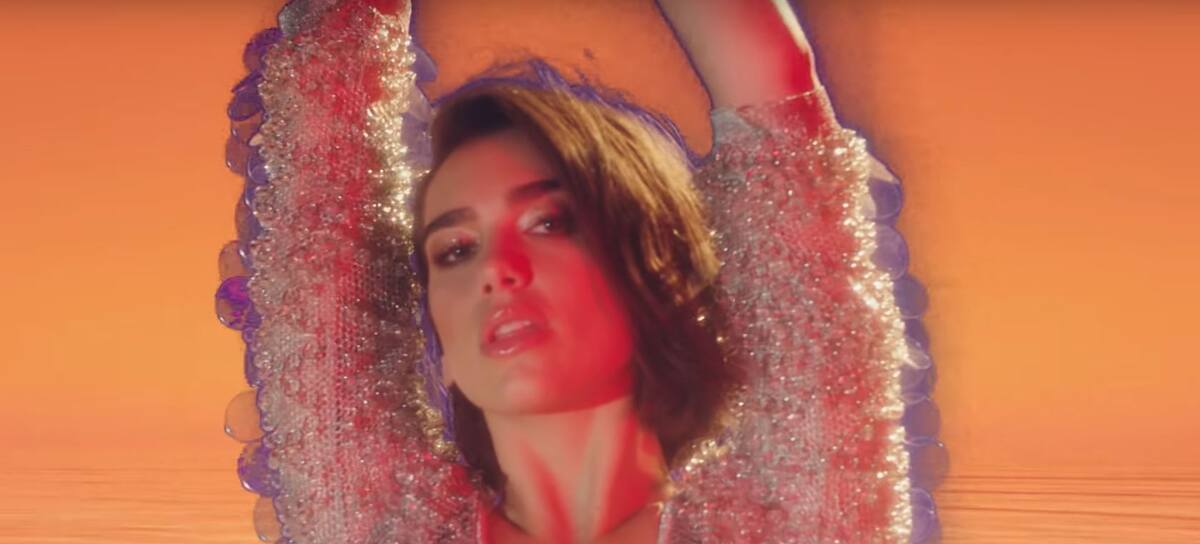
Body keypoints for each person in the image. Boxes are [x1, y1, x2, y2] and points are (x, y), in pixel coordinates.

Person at [215, 0, 942, 542]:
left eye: (550, 223)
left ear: (656, 274)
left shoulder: (794, 526)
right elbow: (322, 208)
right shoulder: (375, 526)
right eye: (456, 249)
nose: (498, 270)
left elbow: (775, 101)